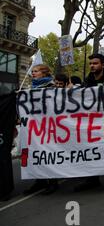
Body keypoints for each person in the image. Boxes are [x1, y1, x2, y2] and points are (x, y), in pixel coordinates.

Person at [74, 54, 104, 193]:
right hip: (92, 123)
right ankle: (92, 179)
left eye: (95, 63)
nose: (92, 66)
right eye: (90, 64)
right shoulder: (88, 80)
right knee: (91, 150)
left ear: (102, 64)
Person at [24, 65, 59, 195]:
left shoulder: (52, 86)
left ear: (44, 73)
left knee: (49, 152)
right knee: (36, 152)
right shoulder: (31, 87)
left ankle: (52, 181)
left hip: (50, 125)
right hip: (35, 126)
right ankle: (40, 180)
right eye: (32, 71)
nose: (33, 73)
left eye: (36, 71)